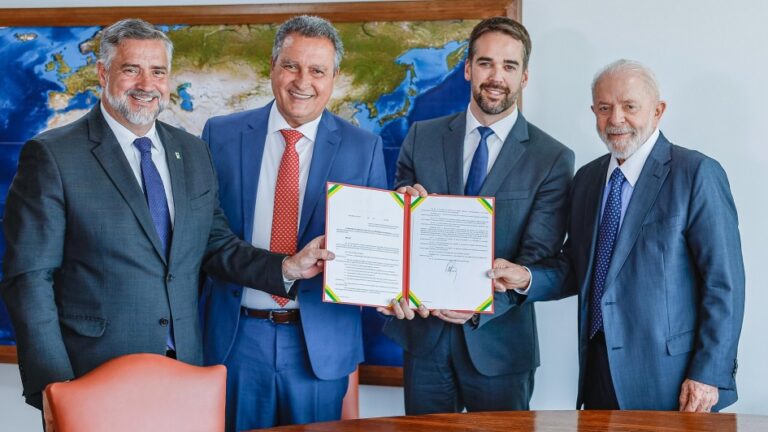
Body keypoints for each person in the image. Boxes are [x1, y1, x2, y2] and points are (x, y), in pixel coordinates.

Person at [0, 18, 330, 411]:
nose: (146, 84)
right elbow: (29, 278)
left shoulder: (191, 151)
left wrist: (289, 268)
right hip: (92, 375)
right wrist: (55, 386)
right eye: (131, 69)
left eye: (158, 72)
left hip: (185, 369)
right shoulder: (53, 156)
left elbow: (215, 244)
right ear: (103, 72)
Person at [490, 59, 745, 412]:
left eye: (629, 106)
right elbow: (577, 267)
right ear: (593, 111)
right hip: (598, 372)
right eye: (605, 108)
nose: (616, 119)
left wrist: (709, 374)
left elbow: (724, 284)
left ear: (658, 111)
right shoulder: (587, 179)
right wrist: (526, 277)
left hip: (674, 380)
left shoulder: (696, 173)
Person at [379, 17, 574, 414]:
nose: (496, 76)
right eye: (485, 63)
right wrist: (399, 206)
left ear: (524, 77)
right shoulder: (422, 136)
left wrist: (481, 304)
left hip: (500, 349)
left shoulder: (551, 158)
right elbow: (396, 228)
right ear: (468, 69)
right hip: (424, 340)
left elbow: (538, 259)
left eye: (509, 66)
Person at [200, 15, 387, 430]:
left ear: (334, 77)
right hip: (235, 340)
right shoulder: (220, 136)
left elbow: (378, 246)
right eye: (291, 66)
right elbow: (206, 240)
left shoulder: (364, 148)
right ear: (272, 67)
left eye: (317, 70)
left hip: (318, 344)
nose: (303, 81)